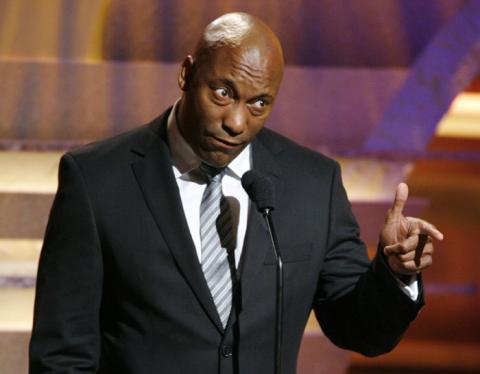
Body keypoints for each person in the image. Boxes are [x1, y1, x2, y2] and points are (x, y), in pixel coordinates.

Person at [29, 12, 443, 374]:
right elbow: (62, 354)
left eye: (260, 103)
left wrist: (393, 273)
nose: (237, 122)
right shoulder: (98, 179)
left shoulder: (314, 185)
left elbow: (360, 330)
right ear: (187, 74)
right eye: (223, 93)